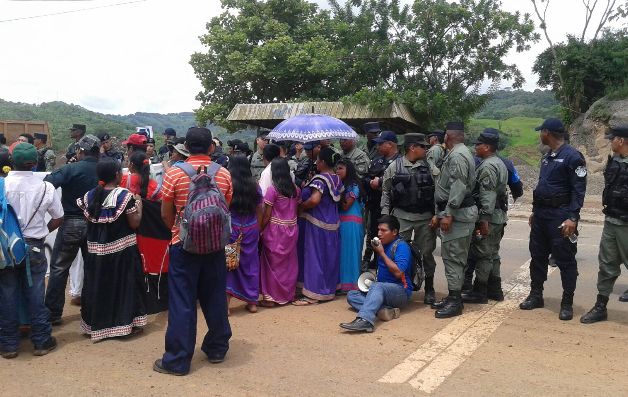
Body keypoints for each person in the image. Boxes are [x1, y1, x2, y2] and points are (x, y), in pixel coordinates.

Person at [154, 127, 233, 376]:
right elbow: (223, 210)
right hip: (215, 247)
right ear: (212, 147)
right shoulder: (224, 175)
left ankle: (177, 360)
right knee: (215, 297)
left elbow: (166, 213)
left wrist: (179, 232)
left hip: (183, 246)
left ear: (186, 147)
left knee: (182, 302)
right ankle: (217, 348)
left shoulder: (174, 174)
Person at [519, 118, 586, 321]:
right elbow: (543, 186)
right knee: (537, 256)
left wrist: (572, 218)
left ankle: (567, 302)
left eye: (542, 132)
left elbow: (578, 190)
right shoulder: (547, 156)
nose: (540, 135)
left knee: (565, 260)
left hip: (561, 215)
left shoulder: (573, 157)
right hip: (542, 215)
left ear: (547, 133)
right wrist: (534, 211)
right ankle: (536, 295)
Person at [1, 143, 64, 359]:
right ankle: (41, 341)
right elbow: (58, 217)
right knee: (36, 294)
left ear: (12, 162)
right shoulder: (45, 187)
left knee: (6, 294)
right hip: (35, 245)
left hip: (7, 247)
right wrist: (43, 232)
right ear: (36, 163)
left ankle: (9, 344)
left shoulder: (2, 185)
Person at [76, 159, 145, 341]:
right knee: (123, 286)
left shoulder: (89, 196)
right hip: (122, 251)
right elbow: (135, 222)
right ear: (117, 175)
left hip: (95, 252)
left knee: (98, 285)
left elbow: (90, 223)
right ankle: (123, 326)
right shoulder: (125, 196)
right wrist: (140, 206)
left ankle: (95, 326)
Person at [44, 134, 100, 325]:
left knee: (60, 268)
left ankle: (53, 314)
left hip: (71, 222)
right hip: (96, 224)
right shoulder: (105, 169)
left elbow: (47, 182)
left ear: (80, 151)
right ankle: (92, 313)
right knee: (93, 269)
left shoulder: (71, 168)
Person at [381, 133, 437, 304]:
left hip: (425, 218)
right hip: (401, 217)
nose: (426, 150)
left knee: (426, 253)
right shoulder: (395, 167)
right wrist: (385, 217)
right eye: (423, 146)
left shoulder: (430, 167)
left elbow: (438, 193)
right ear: (413, 147)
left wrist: (437, 214)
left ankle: (429, 288)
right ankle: (399, 286)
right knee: (397, 252)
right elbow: (386, 192)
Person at [581, 124, 628, 323]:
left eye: (612, 138)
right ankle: (601, 306)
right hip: (612, 221)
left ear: (622, 140)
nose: (610, 142)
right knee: (607, 265)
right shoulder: (614, 161)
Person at [431, 122, 478, 318]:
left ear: (448, 137)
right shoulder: (459, 153)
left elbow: (458, 186)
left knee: (453, 257)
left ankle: (456, 301)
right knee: (452, 256)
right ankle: (453, 296)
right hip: (454, 212)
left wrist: (449, 213)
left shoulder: (458, 155)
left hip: (457, 214)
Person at [340, 215, 412, 333]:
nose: (379, 233)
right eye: (378, 230)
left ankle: (365, 320)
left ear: (394, 232)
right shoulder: (382, 245)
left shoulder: (401, 246)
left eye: (383, 230)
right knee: (352, 295)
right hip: (382, 289)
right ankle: (384, 311)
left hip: (401, 292)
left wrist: (382, 253)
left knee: (377, 286)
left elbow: (399, 273)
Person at [462, 129, 508, 304]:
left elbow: (487, 195)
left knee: (483, 254)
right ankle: (495, 290)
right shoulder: (499, 162)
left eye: (478, 144)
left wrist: (484, 220)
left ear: (487, 147)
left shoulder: (488, 166)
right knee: (492, 253)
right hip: (498, 215)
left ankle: (480, 291)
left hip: (490, 216)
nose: (475, 147)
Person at [294, 147, 344, 305]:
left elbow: (315, 200)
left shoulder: (320, 180)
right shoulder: (336, 179)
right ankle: (329, 289)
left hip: (317, 222)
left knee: (315, 258)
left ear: (322, 162)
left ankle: (313, 294)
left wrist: (301, 206)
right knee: (329, 257)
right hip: (333, 222)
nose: (316, 163)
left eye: (317, 160)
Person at [259, 158, 300, 306]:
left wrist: (260, 229)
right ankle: (288, 295)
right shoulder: (296, 189)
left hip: (275, 230)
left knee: (272, 264)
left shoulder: (272, 190)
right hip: (292, 228)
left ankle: (271, 298)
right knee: (289, 264)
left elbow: (267, 215)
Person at [225, 155, 263, 314]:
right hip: (251, 229)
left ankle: (225, 305)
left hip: (232, 230)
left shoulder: (228, 185)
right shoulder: (255, 187)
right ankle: (252, 302)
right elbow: (259, 210)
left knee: (229, 264)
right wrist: (258, 229)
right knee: (251, 264)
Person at [362, 131, 400, 270]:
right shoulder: (377, 160)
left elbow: (399, 181)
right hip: (375, 204)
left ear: (390, 144)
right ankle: (368, 259)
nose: (377, 146)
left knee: (389, 234)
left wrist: (381, 182)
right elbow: (365, 178)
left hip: (392, 207)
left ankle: (384, 261)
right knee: (373, 233)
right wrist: (371, 182)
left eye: (380, 143)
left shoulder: (400, 162)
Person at [336, 159, 364, 293]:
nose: (337, 171)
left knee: (351, 252)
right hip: (341, 223)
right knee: (341, 253)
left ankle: (352, 284)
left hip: (351, 224)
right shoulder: (339, 184)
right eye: (337, 168)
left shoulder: (353, 186)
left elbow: (347, 205)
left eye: (341, 168)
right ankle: (341, 283)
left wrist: (336, 195)